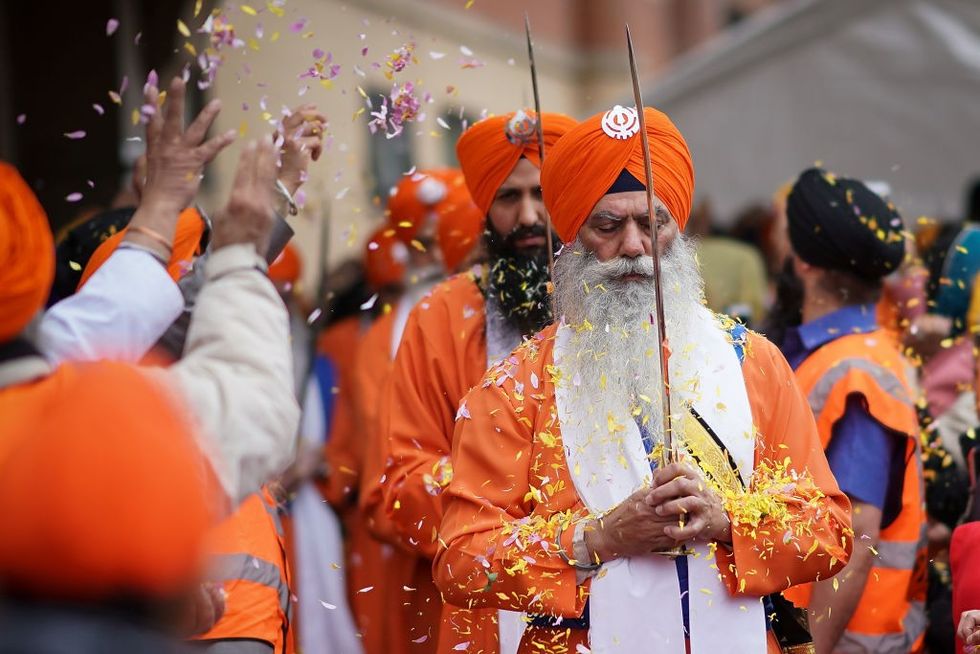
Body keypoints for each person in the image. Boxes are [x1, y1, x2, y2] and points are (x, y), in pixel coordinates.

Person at [433, 106, 851, 654]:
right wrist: (597, 539)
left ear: (678, 230)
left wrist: (728, 522)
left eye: (653, 224)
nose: (633, 246)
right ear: (574, 234)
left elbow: (829, 531)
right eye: (607, 226)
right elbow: (460, 560)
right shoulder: (515, 386)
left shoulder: (754, 361)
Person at [378, 109, 576, 653]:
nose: (530, 215)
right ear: (485, 209)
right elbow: (399, 485)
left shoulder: (611, 303)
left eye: (541, 193)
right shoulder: (438, 315)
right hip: (486, 602)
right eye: (509, 198)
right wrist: (497, 491)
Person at [776, 168, 927, 653]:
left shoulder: (854, 370)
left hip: (845, 640)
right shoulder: (861, 352)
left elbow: (858, 539)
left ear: (803, 263)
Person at [355, 170, 483, 653]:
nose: (428, 256)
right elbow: (384, 480)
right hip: (429, 564)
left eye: (442, 239)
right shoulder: (386, 339)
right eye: (420, 242)